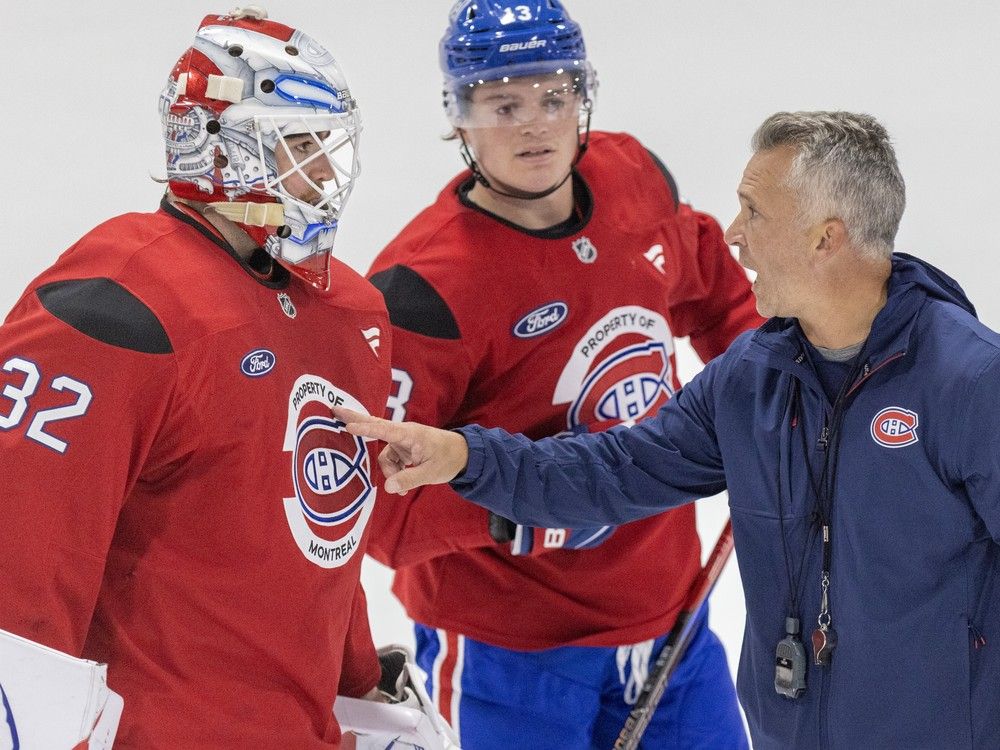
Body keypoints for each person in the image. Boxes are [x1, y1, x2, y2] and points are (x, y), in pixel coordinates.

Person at [338, 110, 1000, 750]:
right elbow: (614, 470)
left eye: (756, 213)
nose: (732, 233)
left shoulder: (968, 384)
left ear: (824, 238)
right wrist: (466, 456)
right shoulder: (754, 380)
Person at [364, 2, 761, 747]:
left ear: (584, 97)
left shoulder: (633, 180)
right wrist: (525, 512)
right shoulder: (423, 291)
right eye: (503, 104)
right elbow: (380, 511)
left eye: (554, 98)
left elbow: (720, 297)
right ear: (459, 116)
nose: (535, 125)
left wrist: (779, 409)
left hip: (670, 613)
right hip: (509, 650)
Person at [0, 8, 393, 748]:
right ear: (220, 147)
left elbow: (323, 534)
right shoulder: (117, 302)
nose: (324, 173)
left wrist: (361, 688)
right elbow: (23, 554)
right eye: (297, 145)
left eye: (325, 146)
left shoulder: (350, 312)